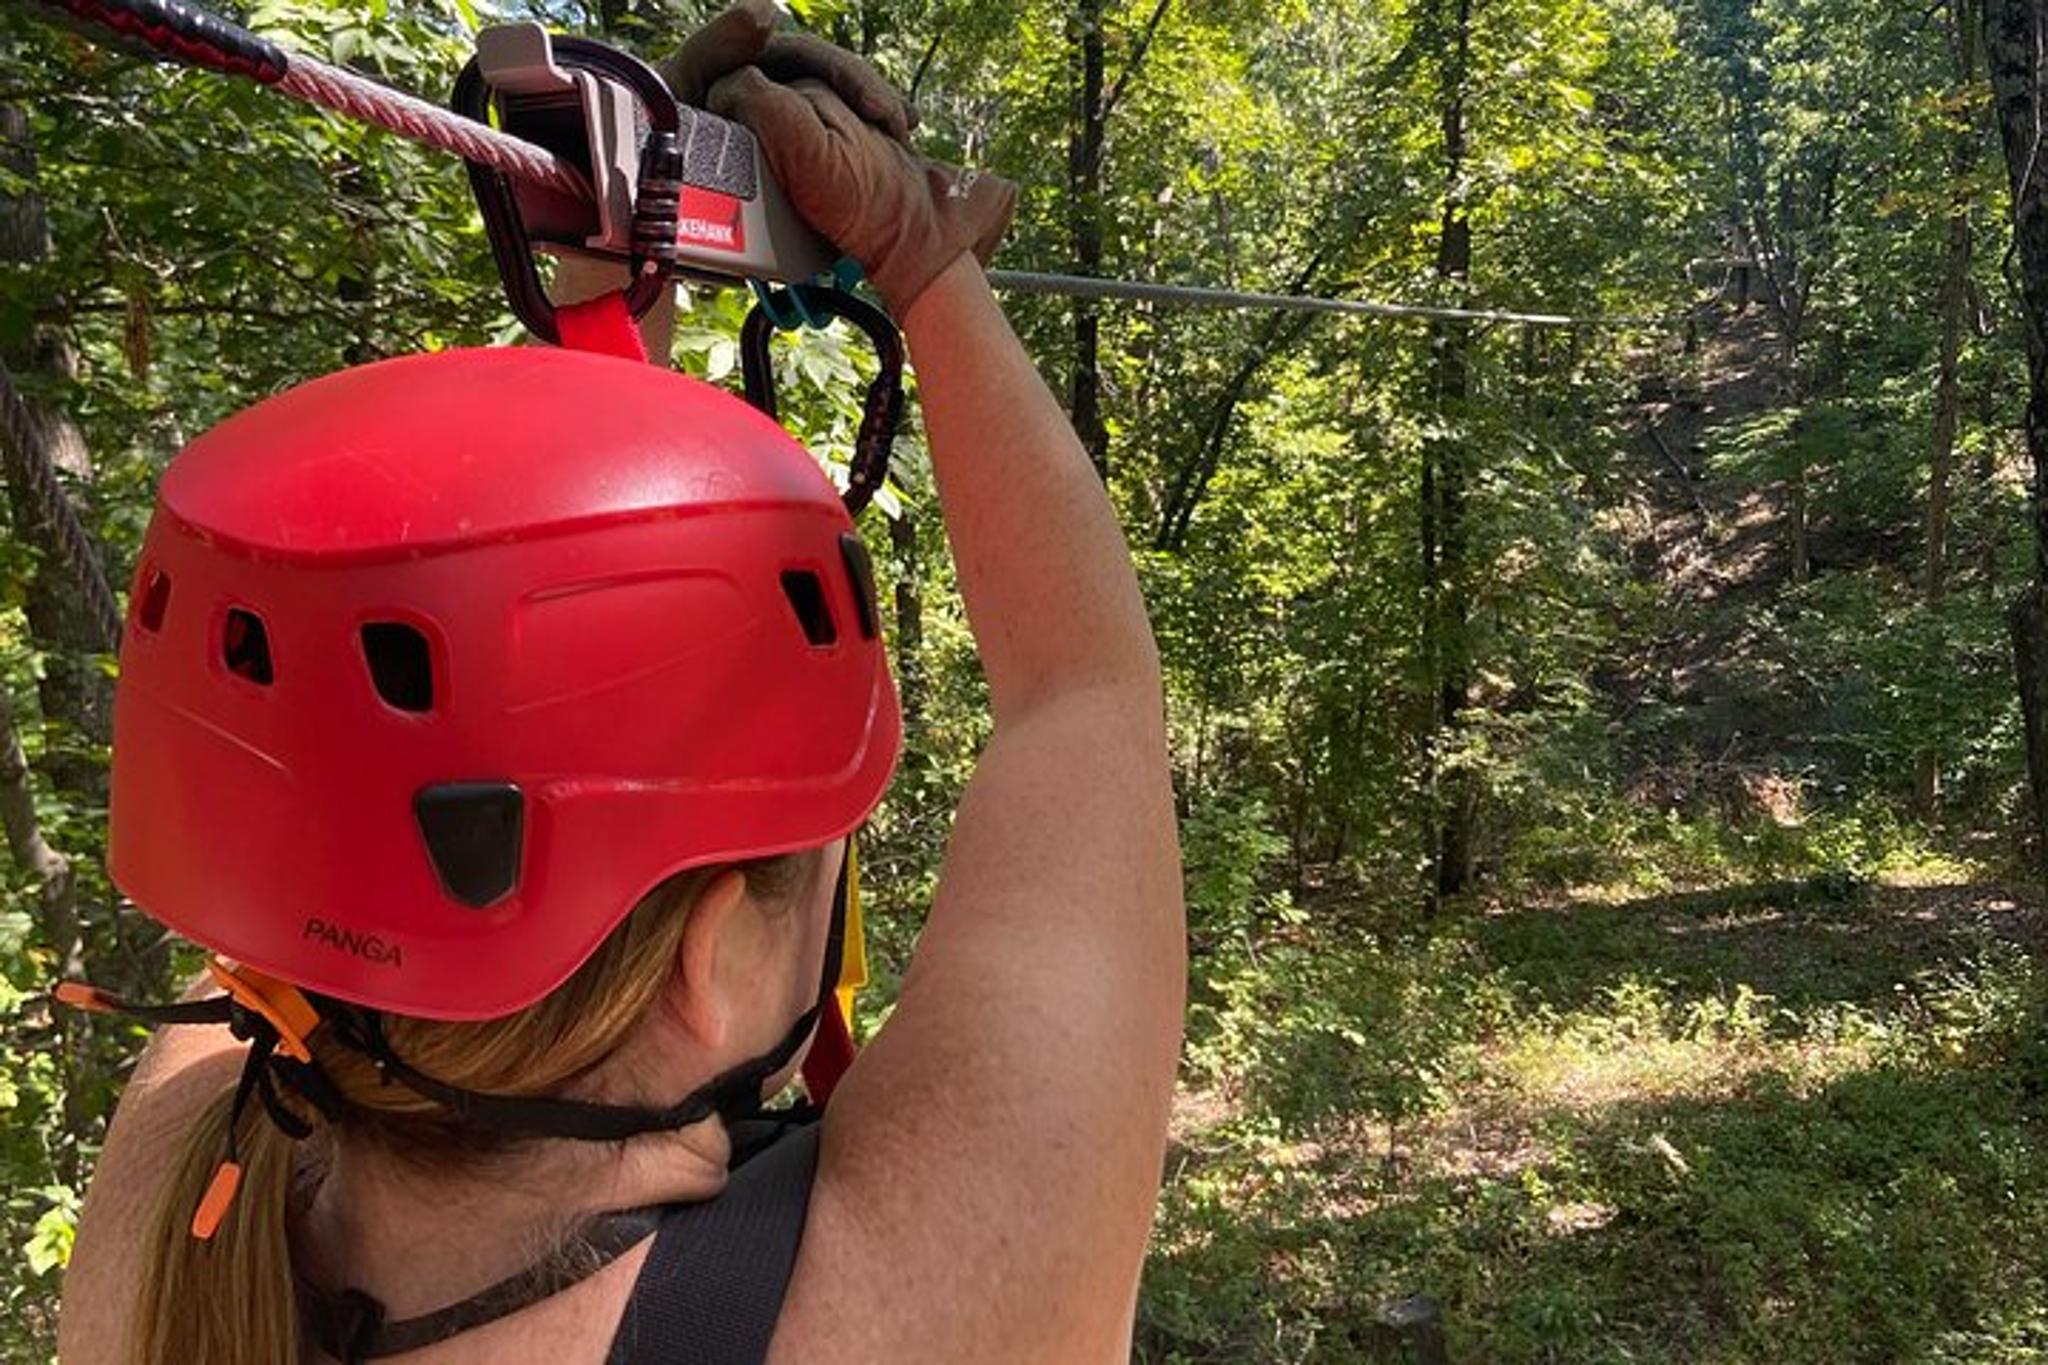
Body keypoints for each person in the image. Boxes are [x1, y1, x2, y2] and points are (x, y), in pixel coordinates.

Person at [55, 3, 1185, 1362]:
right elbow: (1086, 696)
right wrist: (919, 243)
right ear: (707, 966)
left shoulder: (170, 1216)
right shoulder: (910, 1293)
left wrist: (612, 316)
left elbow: (353, 774)